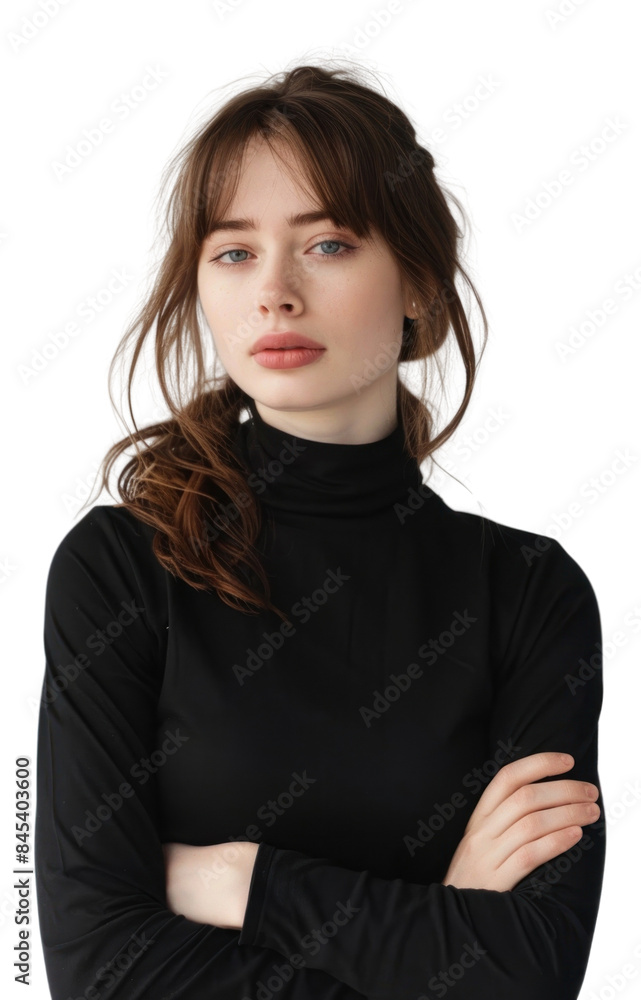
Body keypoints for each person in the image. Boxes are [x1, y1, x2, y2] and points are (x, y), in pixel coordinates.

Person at [34, 61, 605, 999]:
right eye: (233, 252)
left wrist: (239, 880)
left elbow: (532, 971)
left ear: (419, 284)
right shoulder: (122, 569)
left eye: (328, 244)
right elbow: (98, 972)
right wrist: (442, 922)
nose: (274, 292)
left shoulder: (528, 591)